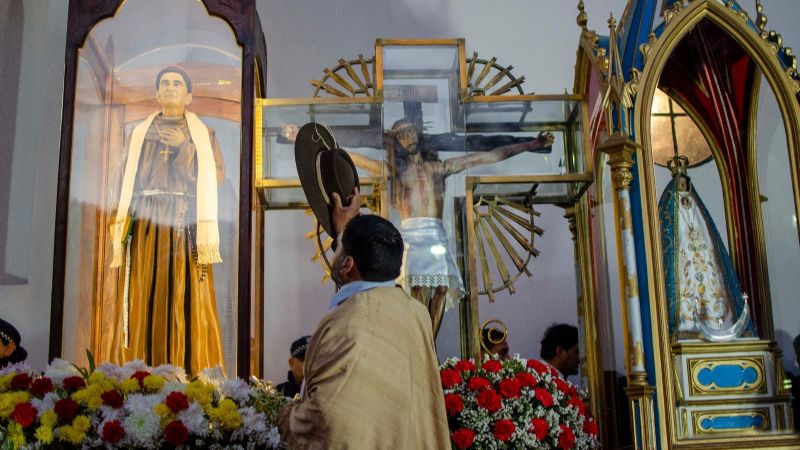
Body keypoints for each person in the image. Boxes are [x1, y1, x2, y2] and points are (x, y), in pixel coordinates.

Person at [283, 120, 553, 334]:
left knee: (441, 290)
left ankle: (428, 348)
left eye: (412, 132)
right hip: (410, 238)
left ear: (419, 135)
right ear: (396, 142)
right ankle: (417, 340)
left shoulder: (440, 168)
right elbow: (352, 159)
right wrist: (304, 143)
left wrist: (530, 144)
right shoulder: (394, 173)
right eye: (401, 135)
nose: (408, 138)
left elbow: (488, 156)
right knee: (411, 295)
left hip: (436, 237)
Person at [277, 188, 450, 450]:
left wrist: (287, 418)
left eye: (340, 249)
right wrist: (347, 232)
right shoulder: (416, 314)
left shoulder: (344, 323)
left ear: (347, 265)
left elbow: (325, 419)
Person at [108, 66, 226, 375]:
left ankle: (187, 370)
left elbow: (214, 178)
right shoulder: (139, 134)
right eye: (164, 83)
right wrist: (121, 223)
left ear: (189, 96)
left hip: (184, 225)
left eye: (177, 83)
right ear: (157, 94)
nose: (170, 87)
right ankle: (139, 373)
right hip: (147, 225)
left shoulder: (202, 135)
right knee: (144, 293)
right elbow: (121, 182)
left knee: (183, 295)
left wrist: (184, 150)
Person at [658, 156, 753, 340]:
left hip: (702, 254)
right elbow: (670, 239)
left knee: (712, 277)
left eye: (685, 185)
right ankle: (686, 324)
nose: (683, 188)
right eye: (681, 185)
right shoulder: (671, 210)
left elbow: (709, 236)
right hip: (683, 254)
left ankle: (718, 322)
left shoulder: (697, 209)